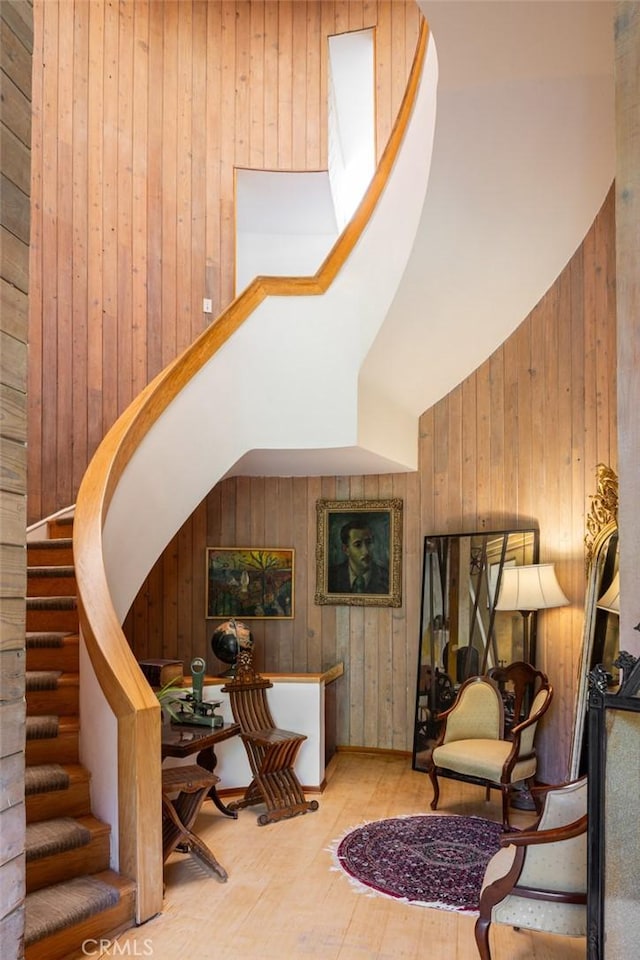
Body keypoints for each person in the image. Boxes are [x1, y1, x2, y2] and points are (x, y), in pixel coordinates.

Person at [328, 519, 389, 594]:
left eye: (369, 543)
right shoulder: (330, 577)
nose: (366, 551)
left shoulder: (388, 578)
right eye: (358, 545)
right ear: (346, 549)